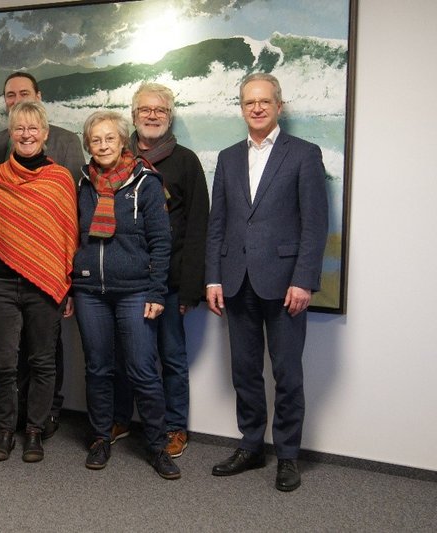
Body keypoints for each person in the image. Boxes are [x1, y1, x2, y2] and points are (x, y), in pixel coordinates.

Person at [205, 73, 328, 492]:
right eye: (249, 102)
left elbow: (315, 224)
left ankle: (288, 455)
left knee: (288, 374)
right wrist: (213, 278)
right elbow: (217, 224)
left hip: (286, 285)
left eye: (264, 101)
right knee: (245, 371)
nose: (256, 108)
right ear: (241, 108)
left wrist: (304, 280)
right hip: (236, 282)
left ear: (279, 105)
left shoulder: (304, 154)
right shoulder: (227, 158)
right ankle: (251, 445)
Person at [73, 110, 177, 480]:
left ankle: (158, 446)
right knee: (98, 369)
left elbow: (161, 242)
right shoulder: (82, 183)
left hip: (135, 291)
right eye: (96, 140)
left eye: (110, 139)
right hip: (90, 292)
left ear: (122, 141)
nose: (103, 145)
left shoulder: (145, 181)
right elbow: (72, 234)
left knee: (143, 370)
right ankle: (101, 437)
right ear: (88, 145)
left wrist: (157, 292)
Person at [0, 101, 78, 463]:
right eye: (19, 128)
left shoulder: (60, 179)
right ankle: (4, 429)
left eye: (33, 128)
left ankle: (34, 429)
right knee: (3, 362)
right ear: (11, 134)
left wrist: (68, 287)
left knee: (42, 361)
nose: (26, 135)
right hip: (0, 283)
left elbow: (67, 237)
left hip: (45, 284)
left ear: (45, 134)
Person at [110, 83, 210, 459]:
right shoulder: (116, 158)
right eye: (145, 110)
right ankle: (120, 418)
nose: (152, 116)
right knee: (124, 355)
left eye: (160, 110)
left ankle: (174, 427)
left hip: (169, 280)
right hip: (125, 278)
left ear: (170, 116)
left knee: (171, 357)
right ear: (133, 115)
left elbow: (199, 226)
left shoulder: (186, 162)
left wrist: (190, 288)